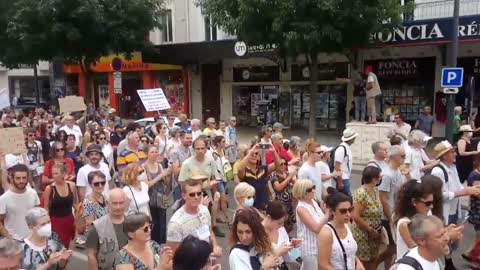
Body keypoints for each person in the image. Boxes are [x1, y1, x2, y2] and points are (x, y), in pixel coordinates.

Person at [177, 136, 223, 237]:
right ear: (193, 149)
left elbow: (213, 176)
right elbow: (181, 182)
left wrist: (215, 191)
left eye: (203, 148)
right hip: (192, 194)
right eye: (197, 148)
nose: (200, 151)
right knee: (195, 218)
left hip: (207, 192)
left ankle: (212, 230)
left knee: (209, 213)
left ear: (206, 148)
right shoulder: (187, 163)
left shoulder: (210, 160)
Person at [166, 179, 222, 257]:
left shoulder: (204, 210)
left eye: (199, 194)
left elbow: (209, 231)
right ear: (183, 195)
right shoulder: (176, 223)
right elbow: (171, 256)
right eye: (192, 194)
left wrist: (215, 246)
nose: (196, 197)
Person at [431, 140, 480, 224]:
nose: (456, 154)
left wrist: (471, 189)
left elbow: (458, 187)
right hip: (444, 212)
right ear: (444, 156)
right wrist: (462, 192)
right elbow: (438, 195)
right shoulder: (437, 171)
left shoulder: (453, 167)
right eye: (452, 152)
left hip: (455, 209)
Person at [318, 190, 363, 270]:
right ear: (333, 212)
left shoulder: (348, 226)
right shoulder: (326, 233)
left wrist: (357, 262)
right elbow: (323, 265)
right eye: (343, 211)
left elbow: (348, 252)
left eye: (350, 210)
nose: (348, 214)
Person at [87, 188, 129, 270]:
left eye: (121, 203)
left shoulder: (133, 223)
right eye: (114, 203)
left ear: (125, 203)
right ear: (108, 203)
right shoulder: (97, 226)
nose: (118, 207)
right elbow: (91, 255)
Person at [351, 166, 383, 270]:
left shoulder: (375, 191)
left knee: (373, 260)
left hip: (375, 233)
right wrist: (369, 229)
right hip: (363, 234)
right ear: (374, 179)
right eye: (379, 177)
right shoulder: (361, 193)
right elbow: (355, 215)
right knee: (364, 263)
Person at [293, 179, 328, 269]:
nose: (313, 190)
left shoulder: (313, 202)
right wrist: (327, 215)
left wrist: (324, 212)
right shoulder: (301, 208)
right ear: (302, 192)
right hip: (309, 249)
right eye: (309, 190)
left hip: (319, 245)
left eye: (313, 187)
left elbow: (321, 221)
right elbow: (315, 228)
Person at [0, 164, 40, 240]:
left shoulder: (33, 193)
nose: (21, 181)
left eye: (24, 178)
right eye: (18, 178)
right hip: (14, 242)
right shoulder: (4, 198)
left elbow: (37, 215)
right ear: (12, 178)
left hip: (32, 239)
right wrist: (8, 236)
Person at [42, 163, 78, 248]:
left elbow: (76, 205)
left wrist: (78, 224)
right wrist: (45, 226)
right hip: (55, 222)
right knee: (56, 248)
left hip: (69, 220)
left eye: (56, 173)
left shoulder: (71, 186)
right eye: (53, 173)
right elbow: (46, 209)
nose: (53, 176)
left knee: (66, 247)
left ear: (63, 174)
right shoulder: (49, 189)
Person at [237, 144, 281, 211]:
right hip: (250, 208)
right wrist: (252, 151)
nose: (254, 155)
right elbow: (240, 168)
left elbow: (278, 164)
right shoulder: (244, 171)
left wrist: (274, 152)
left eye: (256, 153)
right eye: (252, 154)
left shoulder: (262, 169)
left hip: (264, 207)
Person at [143, 145, 172, 244]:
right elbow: (148, 184)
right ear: (147, 154)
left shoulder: (159, 165)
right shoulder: (144, 167)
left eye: (156, 152)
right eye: (152, 152)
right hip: (151, 198)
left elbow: (166, 183)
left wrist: (167, 176)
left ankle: (160, 245)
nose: (155, 154)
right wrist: (161, 175)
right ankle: (153, 244)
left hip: (161, 197)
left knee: (162, 223)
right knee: (153, 222)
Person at [262, 201, 301, 268]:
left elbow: (287, 252)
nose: (282, 225)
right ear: (269, 217)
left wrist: (291, 245)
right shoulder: (258, 233)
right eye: (279, 223)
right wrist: (278, 252)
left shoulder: (281, 229)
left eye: (283, 223)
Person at [271, 158, 297, 232]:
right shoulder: (274, 175)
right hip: (281, 204)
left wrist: (294, 176)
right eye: (281, 164)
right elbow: (278, 188)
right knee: (281, 225)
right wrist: (289, 178)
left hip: (290, 203)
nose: (283, 166)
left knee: (290, 224)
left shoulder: (287, 173)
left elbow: (296, 184)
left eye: (285, 164)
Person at [211, 135, 232, 223]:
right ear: (218, 143)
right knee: (223, 198)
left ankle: (218, 216)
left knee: (220, 199)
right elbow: (213, 167)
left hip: (224, 178)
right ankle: (228, 218)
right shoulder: (214, 154)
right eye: (223, 142)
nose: (224, 143)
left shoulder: (223, 151)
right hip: (218, 179)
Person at [170, 130, 193, 203]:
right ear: (181, 138)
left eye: (191, 138)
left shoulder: (192, 150)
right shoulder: (175, 152)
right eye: (187, 138)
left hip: (191, 183)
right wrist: (188, 164)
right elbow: (176, 172)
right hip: (178, 185)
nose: (190, 140)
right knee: (179, 208)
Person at [335, 128, 358, 197]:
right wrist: (340, 181)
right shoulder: (341, 149)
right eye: (354, 137)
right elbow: (337, 166)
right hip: (343, 178)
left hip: (345, 177)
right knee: (349, 198)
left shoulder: (346, 147)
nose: (355, 138)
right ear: (351, 138)